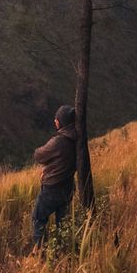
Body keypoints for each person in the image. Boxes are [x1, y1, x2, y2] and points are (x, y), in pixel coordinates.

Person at [31, 104, 77, 248]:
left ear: (61, 122)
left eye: (57, 119)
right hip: (68, 186)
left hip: (53, 188)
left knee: (37, 219)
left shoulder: (58, 142)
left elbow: (39, 155)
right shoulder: (77, 139)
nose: (54, 121)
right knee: (62, 222)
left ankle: (41, 254)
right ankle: (64, 250)